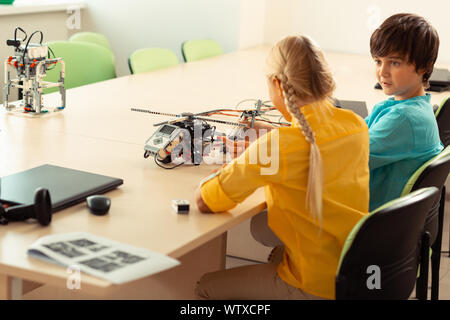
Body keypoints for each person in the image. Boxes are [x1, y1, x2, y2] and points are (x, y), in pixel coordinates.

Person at [193, 35, 370, 300]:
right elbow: (309, 142)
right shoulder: (356, 125)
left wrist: (243, 161)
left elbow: (206, 201)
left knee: (205, 287)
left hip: (313, 285)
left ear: (277, 84)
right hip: (352, 271)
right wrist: (269, 143)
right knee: (275, 252)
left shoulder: (277, 147)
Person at [366, 13, 443, 211]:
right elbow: (354, 136)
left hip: (367, 220)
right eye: (378, 61)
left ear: (423, 67)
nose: (382, 72)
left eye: (395, 63)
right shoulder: (408, 107)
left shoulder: (404, 119)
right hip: (379, 217)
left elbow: (348, 157)